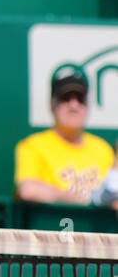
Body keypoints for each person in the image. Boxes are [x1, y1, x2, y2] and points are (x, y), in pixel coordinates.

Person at [15, 70, 116, 206]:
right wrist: (87, 200)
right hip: (53, 224)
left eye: (80, 99)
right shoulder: (32, 146)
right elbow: (28, 190)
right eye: (65, 98)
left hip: (97, 226)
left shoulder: (103, 149)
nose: (74, 105)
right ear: (52, 105)